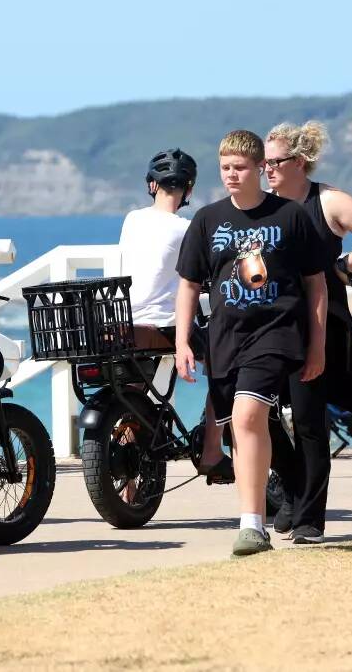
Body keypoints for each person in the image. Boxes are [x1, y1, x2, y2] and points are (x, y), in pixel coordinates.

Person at [174, 129, 328, 557]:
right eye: (225, 167)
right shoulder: (207, 220)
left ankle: (251, 526)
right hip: (225, 338)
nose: (231, 175)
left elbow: (317, 285)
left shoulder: (290, 216)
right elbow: (188, 285)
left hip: (276, 332)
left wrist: (317, 344)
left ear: (261, 168)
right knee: (237, 431)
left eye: (240, 167)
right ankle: (262, 518)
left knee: (246, 417)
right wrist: (182, 341)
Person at [264, 121, 352, 544]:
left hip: (321, 325)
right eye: (262, 163)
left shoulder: (329, 201)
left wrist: (343, 267)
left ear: (300, 162)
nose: (266, 170)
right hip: (270, 327)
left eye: (275, 162)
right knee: (251, 413)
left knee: (308, 423)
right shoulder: (261, 207)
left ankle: (308, 519)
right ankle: (290, 486)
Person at [118, 149, 230, 484]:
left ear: (152, 185)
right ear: (189, 190)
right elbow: (202, 272)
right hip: (163, 325)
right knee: (225, 366)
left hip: (125, 322)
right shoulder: (188, 228)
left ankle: (128, 487)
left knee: (132, 390)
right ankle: (212, 451)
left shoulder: (132, 219)